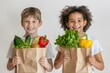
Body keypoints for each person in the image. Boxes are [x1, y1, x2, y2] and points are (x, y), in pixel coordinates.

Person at [54, 5, 104, 73]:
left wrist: (94, 62)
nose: (76, 24)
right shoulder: (64, 41)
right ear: (67, 24)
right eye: (72, 21)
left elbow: (102, 66)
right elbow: (56, 66)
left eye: (79, 20)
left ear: (85, 22)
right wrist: (61, 60)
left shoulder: (92, 41)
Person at [7, 7, 54, 73]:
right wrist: (13, 63)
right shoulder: (15, 42)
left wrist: (46, 64)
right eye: (27, 21)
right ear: (22, 23)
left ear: (40, 23)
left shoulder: (45, 42)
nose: (30, 25)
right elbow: (9, 67)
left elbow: (50, 68)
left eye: (34, 21)